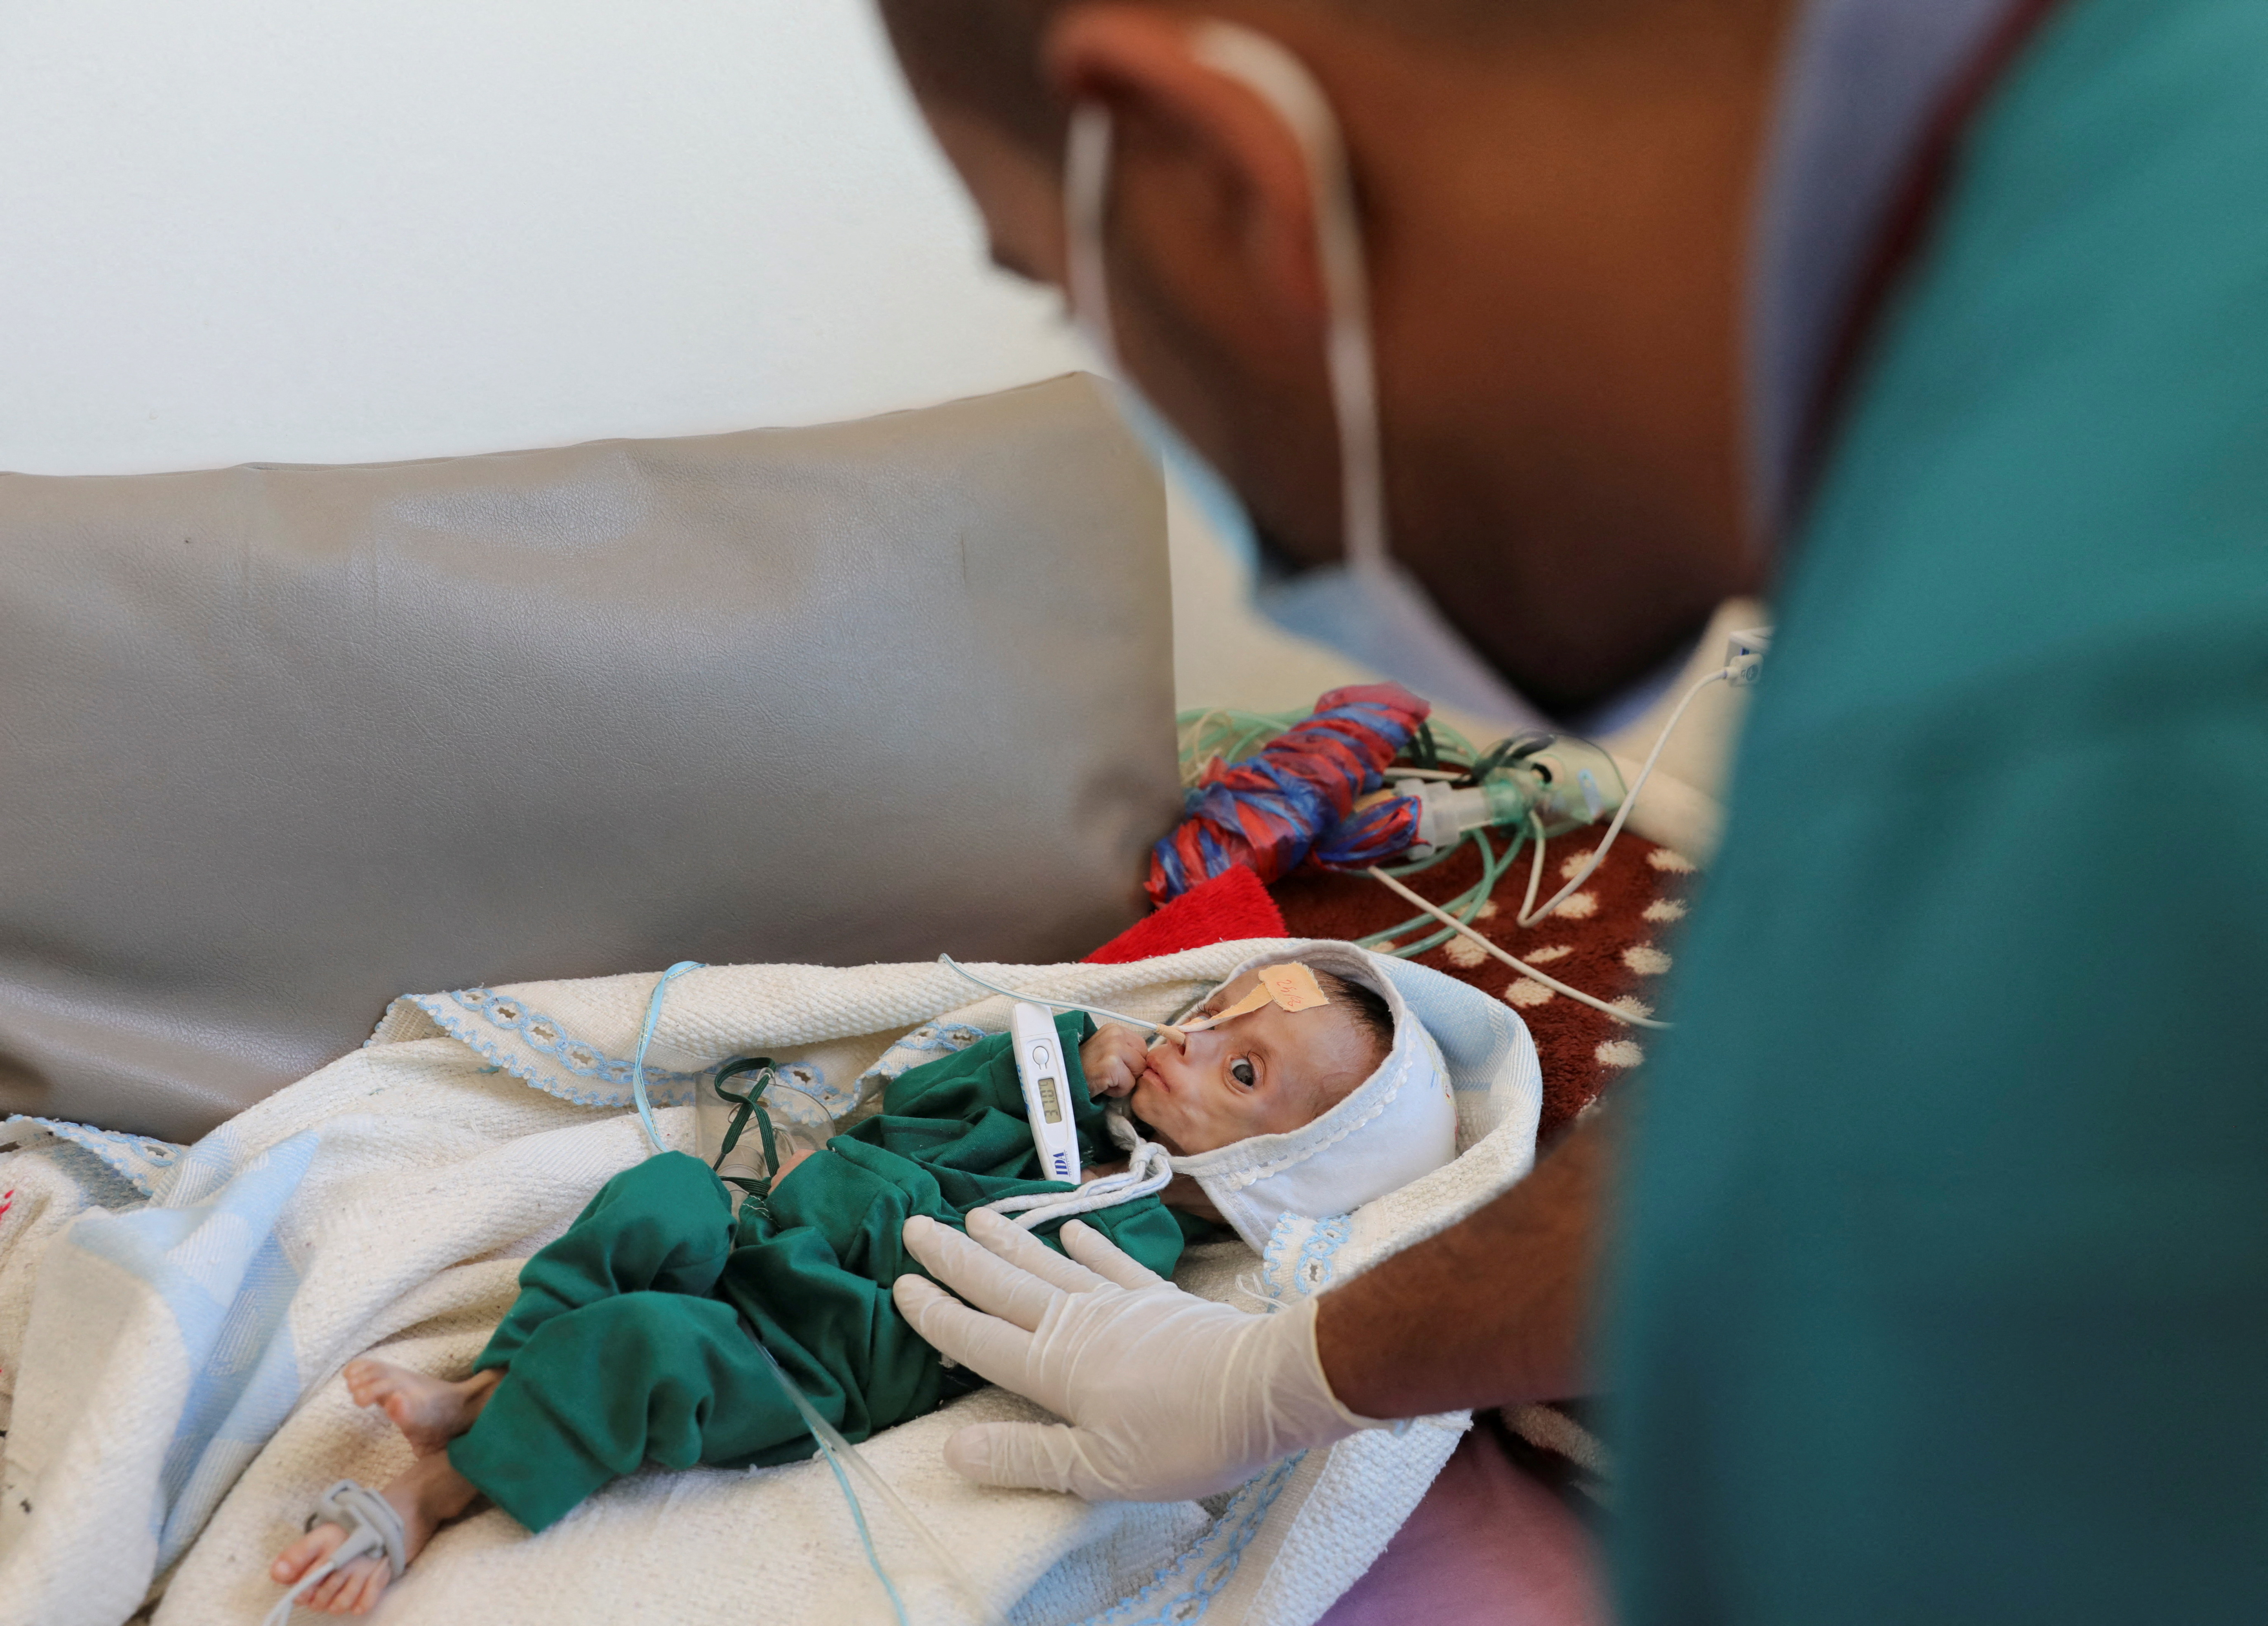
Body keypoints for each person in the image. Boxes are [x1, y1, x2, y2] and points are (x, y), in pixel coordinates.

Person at [874, 1, 2268, 1621]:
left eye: (1066, 290)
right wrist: (1292, 1368)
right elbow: (1798, 1117)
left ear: (1222, 186)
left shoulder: (2047, 739)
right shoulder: (2134, 165)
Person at [266, 952, 1452, 1616]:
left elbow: (979, 1305)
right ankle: (485, 1377)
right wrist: (1025, 1066)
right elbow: (906, 1111)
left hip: (815, 1360)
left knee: (644, 1347)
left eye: (1240, 1070)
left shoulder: (1131, 1243)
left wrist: (896, 1200)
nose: (1186, 1044)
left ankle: (433, 1495)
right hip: (762, 1242)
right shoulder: (1059, 1103)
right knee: (664, 1199)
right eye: (1207, 1017)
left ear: (1273, 1170)